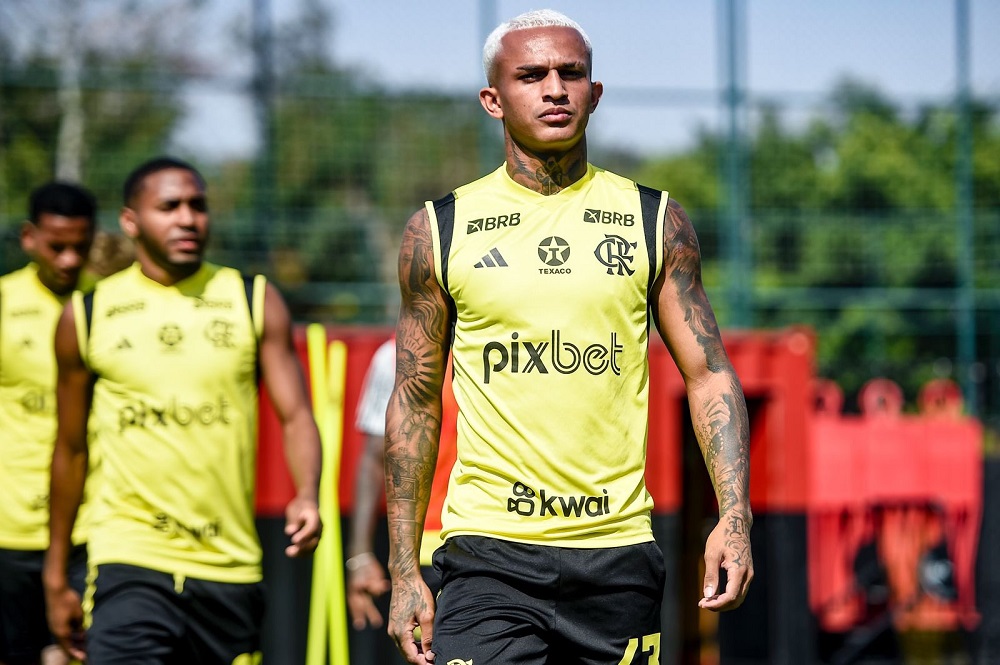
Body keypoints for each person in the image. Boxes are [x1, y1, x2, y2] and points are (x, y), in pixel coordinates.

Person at [384, 9, 754, 665]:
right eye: (532, 75)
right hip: (487, 552)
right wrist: (403, 565)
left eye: (571, 73)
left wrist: (734, 513)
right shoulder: (439, 229)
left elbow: (709, 374)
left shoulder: (653, 220)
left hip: (618, 553)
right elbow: (414, 399)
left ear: (595, 92)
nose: (554, 88)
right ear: (493, 100)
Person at [42, 156, 323, 663]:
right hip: (126, 555)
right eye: (169, 207)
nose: (188, 218)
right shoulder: (86, 315)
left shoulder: (251, 298)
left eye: (198, 205)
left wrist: (306, 493)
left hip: (228, 565)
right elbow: (69, 449)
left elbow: (296, 415)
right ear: (131, 222)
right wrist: (56, 572)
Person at [0, 182, 97, 665]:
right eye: (57, 246)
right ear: (29, 237)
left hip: (87, 526)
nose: (68, 260)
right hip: (11, 527)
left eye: (80, 247)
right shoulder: (4, 302)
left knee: (72, 654)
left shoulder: (104, 308)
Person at [346, 338, 450, 663]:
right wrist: (359, 555)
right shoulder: (393, 354)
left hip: (488, 543)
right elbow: (374, 460)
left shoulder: (502, 341)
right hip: (422, 552)